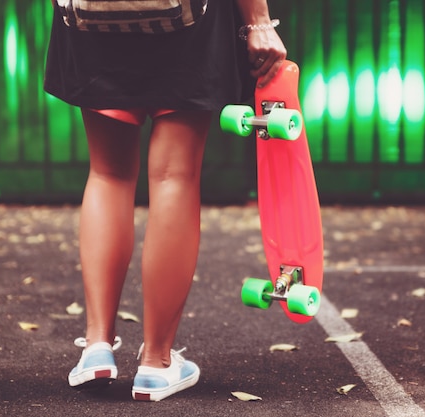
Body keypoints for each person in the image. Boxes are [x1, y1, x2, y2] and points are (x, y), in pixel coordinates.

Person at [44, 0, 287, 402]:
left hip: (93, 20)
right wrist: (258, 21)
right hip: (188, 22)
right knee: (174, 176)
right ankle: (156, 365)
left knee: (108, 174)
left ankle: (96, 347)